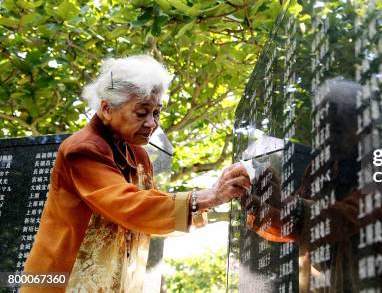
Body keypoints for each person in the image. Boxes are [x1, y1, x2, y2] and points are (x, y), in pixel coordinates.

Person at [22, 55, 251, 292]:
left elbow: (151, 216)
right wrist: (207, 196)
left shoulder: (138, 154)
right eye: (141, 113)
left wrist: (211, 201)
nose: (152, 123)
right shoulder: (82, 148)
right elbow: (127, 204)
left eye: (157, 113)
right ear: (107, 108)